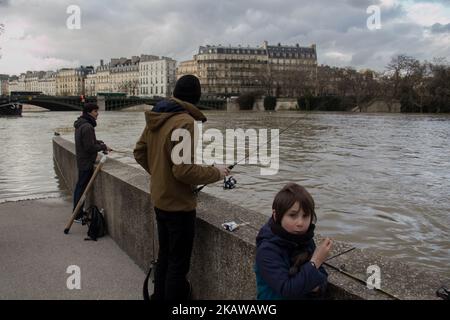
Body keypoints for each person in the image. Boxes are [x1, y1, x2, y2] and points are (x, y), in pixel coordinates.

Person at [133, 75, 231, 300]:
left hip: (159, 200)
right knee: (178, 266)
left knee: (165, 257)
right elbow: (184, 170)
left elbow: (139, 152)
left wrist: (160, 176)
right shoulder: (184, 122)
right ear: (196, 97)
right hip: (178, 207)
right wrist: (216, 171)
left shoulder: (157, 116)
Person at [255, 182, 333, 300]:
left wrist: (315, 287)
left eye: (305, 216)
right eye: (293, 215)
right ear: (276, 215)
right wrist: (315, 261)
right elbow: (287, 290)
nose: (300, 223)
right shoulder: (267, 249)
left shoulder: (306, 240)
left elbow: (322, 276)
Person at [73, 103, 111, 222]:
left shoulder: (81, 124)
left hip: (82, 160)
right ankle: (77, 215)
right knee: (81, 188)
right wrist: (103, 146)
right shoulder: (88, 127)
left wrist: (98, 142)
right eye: (95, 111)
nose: (97, 113)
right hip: (86, 162)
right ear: (89, 112)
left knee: (80, 187)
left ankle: (77, 212)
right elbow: (89, 147)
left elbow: (87, 142)